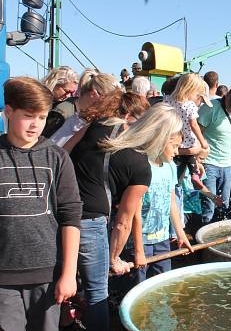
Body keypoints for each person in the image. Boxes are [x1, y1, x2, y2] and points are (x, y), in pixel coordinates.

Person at [0, 77, 82, 330]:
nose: (36, 125)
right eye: (29, 116)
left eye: (42, 117)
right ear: (9, 111)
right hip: (0, 274)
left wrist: (69, 274)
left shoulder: (57, 157)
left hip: (48, 274)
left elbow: (71, 217)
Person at [68, 96, 152, 330]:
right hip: (92, 218)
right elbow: (123, 222)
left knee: (65, 277)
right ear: (128, 117)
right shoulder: (135, 158)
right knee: (97, 290)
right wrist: (113, 259)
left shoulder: (94, 127)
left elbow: (63, 154)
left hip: (64, 209)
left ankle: (66, 320)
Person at [123, 106, 193, 285]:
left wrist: (180, 233)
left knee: (162, 284)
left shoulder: (170, 166)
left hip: (162, 237)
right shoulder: (141, 166)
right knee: (138, 284)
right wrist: (138, 248)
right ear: (160, 139)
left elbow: (171, 202)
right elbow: (134, 212)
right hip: (141, 240)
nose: (177, 152)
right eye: (174, 146)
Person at [198, 85, 231, 224]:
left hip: (227, 164)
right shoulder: (211, 107)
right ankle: (204, 232)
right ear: (226, 96)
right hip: (209, 163)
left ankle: (220, 231)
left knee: (225, 204)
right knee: (209, 204)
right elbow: (196, 132)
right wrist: (198, 159)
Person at [163, 73, 213, 187]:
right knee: (190, 157)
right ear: (190, 90)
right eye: (196, 94)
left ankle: (178, 182)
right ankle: (194, 174)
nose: (197, 98)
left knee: (177, 164)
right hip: (187, 138)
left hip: (172, 137)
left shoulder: (167, 100)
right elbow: (194, 125)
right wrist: (202, 141)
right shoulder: (189, 105)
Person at [49, 72, 122, 146]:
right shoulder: (62, 113)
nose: (110, 106)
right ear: (93, 94)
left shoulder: (87, 115)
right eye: (108, 101)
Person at [42, 68, 96, 138]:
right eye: (66, 91)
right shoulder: (59, 111)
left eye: (71, 93)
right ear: (55, 84)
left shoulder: (62, 105)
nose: (68, 95)